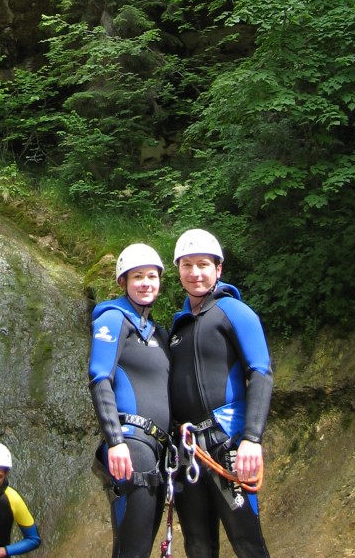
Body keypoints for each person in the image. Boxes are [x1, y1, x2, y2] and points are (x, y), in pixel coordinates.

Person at [169, 228, 273, 558]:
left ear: (218, 268)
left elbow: (260, 372)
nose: (195, 273)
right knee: (198, 545)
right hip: (188, 450)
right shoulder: (178, 327)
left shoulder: (234, 312)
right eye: (187, 265)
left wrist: (252, 439)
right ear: (178, 270)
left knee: (247, 542)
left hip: (226, 442)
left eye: (203, 264)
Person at [88, 243, 171, 558]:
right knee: (132, 551)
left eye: (152, 276)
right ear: (123, 281)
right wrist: (115, 440)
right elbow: (100, 379)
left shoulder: (157, 333)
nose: (146, 283)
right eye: (137, 276)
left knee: (139, 550)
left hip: (158, 448)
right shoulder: (113, 319)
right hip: (131, 444)